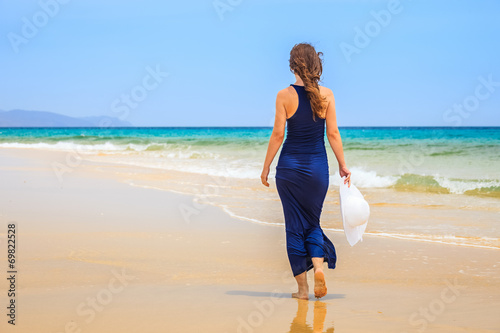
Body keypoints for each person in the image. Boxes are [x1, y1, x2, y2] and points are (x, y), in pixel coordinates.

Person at [261, 43, 351, 300]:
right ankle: (319, 268)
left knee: (293, 227)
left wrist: (266, 166)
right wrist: (343, 165)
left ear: (292, 66)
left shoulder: (283, 96)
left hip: (289, 170)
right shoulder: (328, 95)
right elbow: (333, 134)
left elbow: (278, 135)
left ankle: (302, 290)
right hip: (317, 171)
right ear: (316, 66)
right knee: (312, 223)